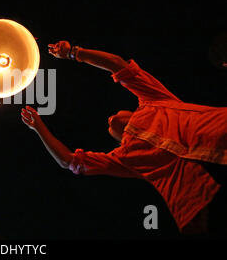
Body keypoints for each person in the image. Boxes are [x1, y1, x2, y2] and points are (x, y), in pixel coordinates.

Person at [21, 40, 227, 235]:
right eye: (110, 129)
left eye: (114, 116)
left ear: (130, 112)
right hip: (203, 203)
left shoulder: (153, 100)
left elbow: (118, 65)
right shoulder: (126, 159)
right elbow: (69, 161)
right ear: (119, 140)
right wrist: (38, 127)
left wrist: (74, 52)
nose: (110, 118)